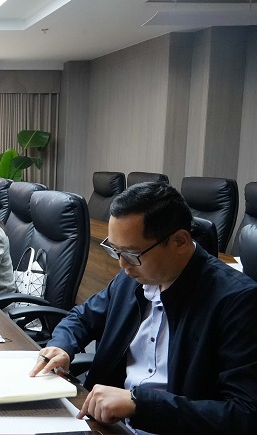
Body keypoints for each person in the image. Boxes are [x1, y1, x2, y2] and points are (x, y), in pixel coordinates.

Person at [29, 182, 257, 434]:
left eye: (131, 253)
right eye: (115, 250)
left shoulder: (237, 301)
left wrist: (139, 405)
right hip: (104, 423)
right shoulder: (134, 277)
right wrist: (62, 345)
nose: (122, 265)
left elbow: (244, 414)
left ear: (180, 241)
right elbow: (83, 317)